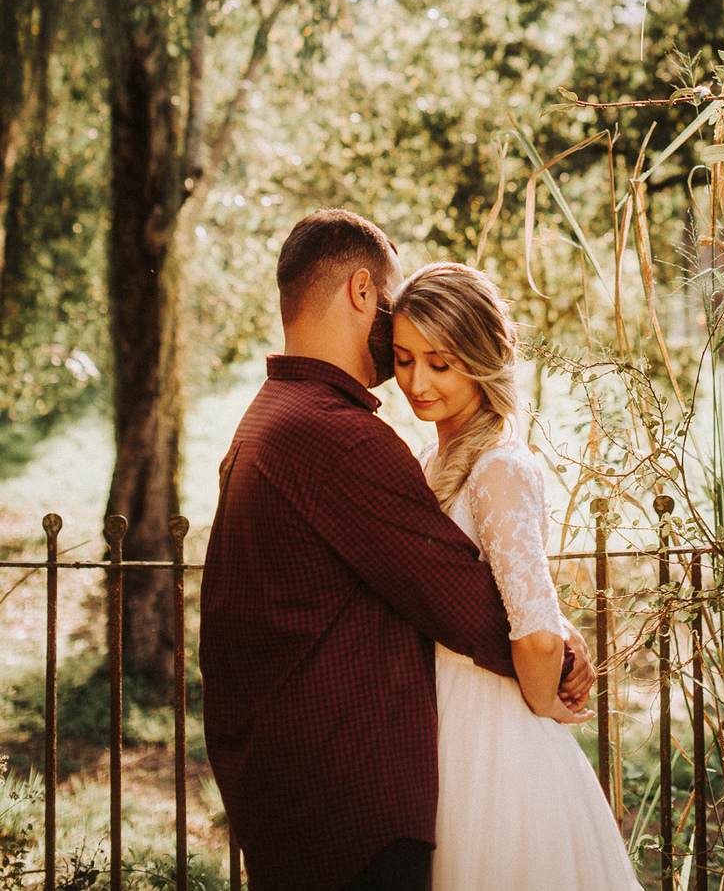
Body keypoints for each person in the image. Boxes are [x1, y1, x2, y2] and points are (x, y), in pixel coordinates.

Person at [199, 209, 594, 891]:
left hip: (306, 790)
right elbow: (459, 599)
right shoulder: (335, 435)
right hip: (347, 806)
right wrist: (554, 652)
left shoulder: (271, 417)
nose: (409, 370)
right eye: (394, 324)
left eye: (439, 361)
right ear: (362, 291)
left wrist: (547, 626)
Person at [391, 260, 641, 891]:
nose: (416, 382)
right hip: (435, 719)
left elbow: (534, 636)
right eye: (403, 359)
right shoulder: (428, 458)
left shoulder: (501, 468)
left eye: (440, 363)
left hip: (495, 731)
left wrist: (545, 704)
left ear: (481, 360)